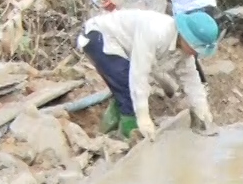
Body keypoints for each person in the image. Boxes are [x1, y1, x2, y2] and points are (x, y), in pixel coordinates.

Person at [77, 8, 219, 138]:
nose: (196, 53)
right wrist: (143, 118)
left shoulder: (184, 50)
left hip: (123, 46)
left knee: (125, 89)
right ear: (187, 38)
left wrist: (202, 109)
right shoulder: (156, 32)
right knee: (126, 84)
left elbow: (191, 79)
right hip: (100, 37)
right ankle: (131, 134)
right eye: (196, 48)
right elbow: (139, 74)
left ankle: (107, 129)